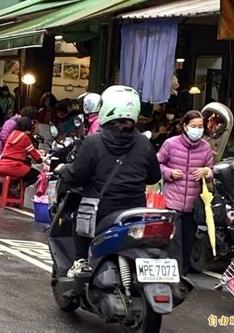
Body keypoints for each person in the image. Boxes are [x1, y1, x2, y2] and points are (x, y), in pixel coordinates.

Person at [61, 85, 161, 278]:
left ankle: (81, 261)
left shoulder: (93, 142)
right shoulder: (143, 143)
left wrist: (64, 172)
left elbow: (77, 175)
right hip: (135, 212)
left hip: (102, 211)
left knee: (76, 217)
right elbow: (154, 177)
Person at [157, 110, 214, 275]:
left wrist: (206, 172)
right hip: (171, 202)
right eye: (193, 126)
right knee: (174, 241)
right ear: (184, 126)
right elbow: (156, 165)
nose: (197, 129)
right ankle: (173, 275)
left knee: (188, 240)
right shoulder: (171, 144)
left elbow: (211, 173)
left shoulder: (205, 148)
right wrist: (169, 173)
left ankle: (183, 276)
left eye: (200, 126)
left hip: (193, 204)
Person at [0, 117, 43, 187]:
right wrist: (41, 158)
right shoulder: (25, 137)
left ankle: (14, 188)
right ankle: (19, 189)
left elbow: (17, 149)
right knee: (38, 175)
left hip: (1, 165)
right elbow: (37, 159)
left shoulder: (12, 134)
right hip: (14, 167)